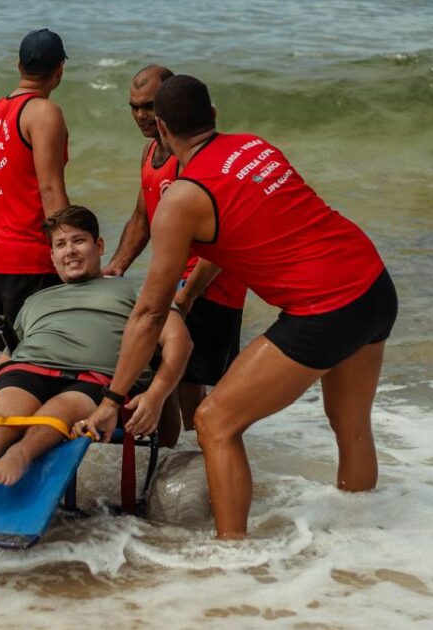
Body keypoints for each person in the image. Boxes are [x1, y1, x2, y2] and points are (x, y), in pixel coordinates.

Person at [78, 76, 398, 540]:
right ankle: (358, 539)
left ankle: (233, 558)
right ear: (214, 114)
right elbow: (234, 236)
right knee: (350, 426)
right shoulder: (254, 147)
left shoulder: (181, 199)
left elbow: (149, 312)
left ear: (162, 128)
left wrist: (113, 398)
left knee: (214, 421)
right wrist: (189, 297)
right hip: (372, 285)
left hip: (325, 309)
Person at [0, 205, 190, 487]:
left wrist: (156, 396)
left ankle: (21, 453)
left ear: (99, 246)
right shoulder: (36, 300)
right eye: (60, 244)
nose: (69, 250)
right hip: (30, 367)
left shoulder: (138, 290)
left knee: (61, 407)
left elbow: (179, 341)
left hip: (99, 380)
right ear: (52, 255)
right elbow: (3, 363)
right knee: (10, 398)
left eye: (78, 241)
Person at [104, 64, 247, 429]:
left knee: (189, 384)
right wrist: (115, 266)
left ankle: (201, 457)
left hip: (208, 287)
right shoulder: (151, 153)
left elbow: (225, 239)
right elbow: (141, 217)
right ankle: (179, 452)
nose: (140, 115)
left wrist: (186, 298)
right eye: (134, 106)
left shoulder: (195, 159)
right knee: (165, 379)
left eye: (149, 106)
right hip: (175, 285)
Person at [0, 28, 72, 351]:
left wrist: (0, 238)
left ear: (19, 66)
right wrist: (68, 250)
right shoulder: (44, 112)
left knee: (13, 352)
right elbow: (50, 188)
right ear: (59, 71)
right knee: (45, 354)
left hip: (0, 256)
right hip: (34, 258)